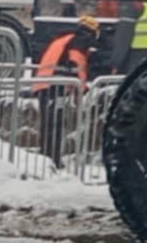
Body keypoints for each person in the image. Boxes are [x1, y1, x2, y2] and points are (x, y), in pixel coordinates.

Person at [33, 16, 99, 164]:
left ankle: (46, 158)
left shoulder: (65, 38)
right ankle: (52, 159)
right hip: (55, 86)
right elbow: (76, 62)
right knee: (54, 125)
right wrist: (81, 89)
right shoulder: (81, 39)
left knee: (48, 124)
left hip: (45, 84)